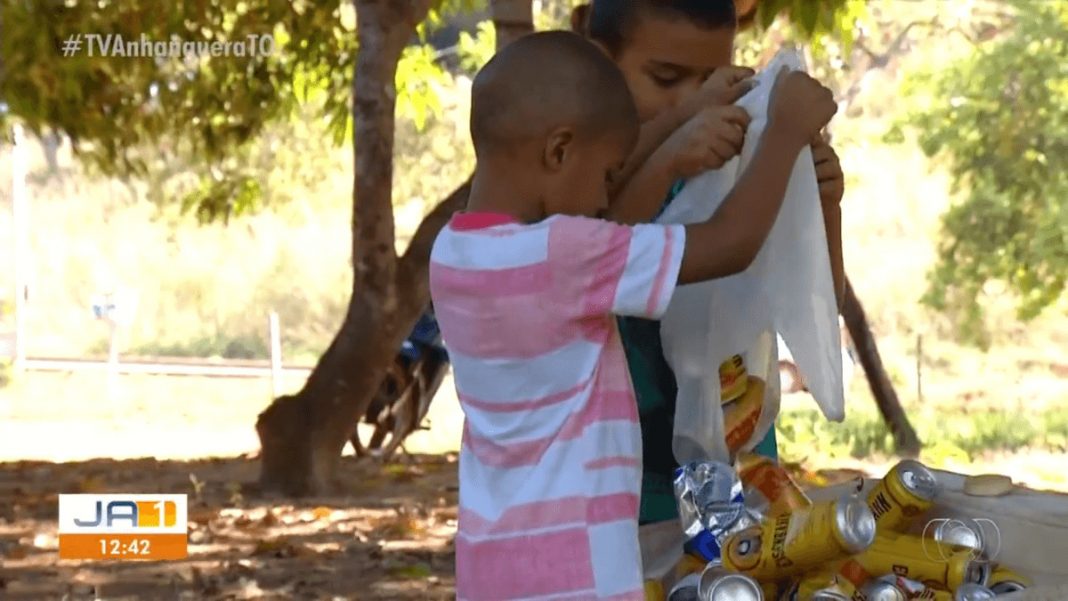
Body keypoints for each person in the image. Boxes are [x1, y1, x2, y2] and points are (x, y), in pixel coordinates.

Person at [430, 30, 837, 600]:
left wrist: (681, 121)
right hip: (581, 573)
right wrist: (787, 134)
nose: (604, 199)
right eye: (604, 176)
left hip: (490, 567)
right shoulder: (563, 256)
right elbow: (729, 243)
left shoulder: (453, 255)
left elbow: (611, 225)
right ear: (557, 152)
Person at [569, 0, 847, 528]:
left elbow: (810, 296)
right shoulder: (571, 171)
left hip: (737, 473)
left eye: (713, 76)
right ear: (599, 60)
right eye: (667, 78)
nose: (699, 98)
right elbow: (600, 245)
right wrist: (672, 144)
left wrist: (823, 206)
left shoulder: (739, 157)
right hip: (625, 496)